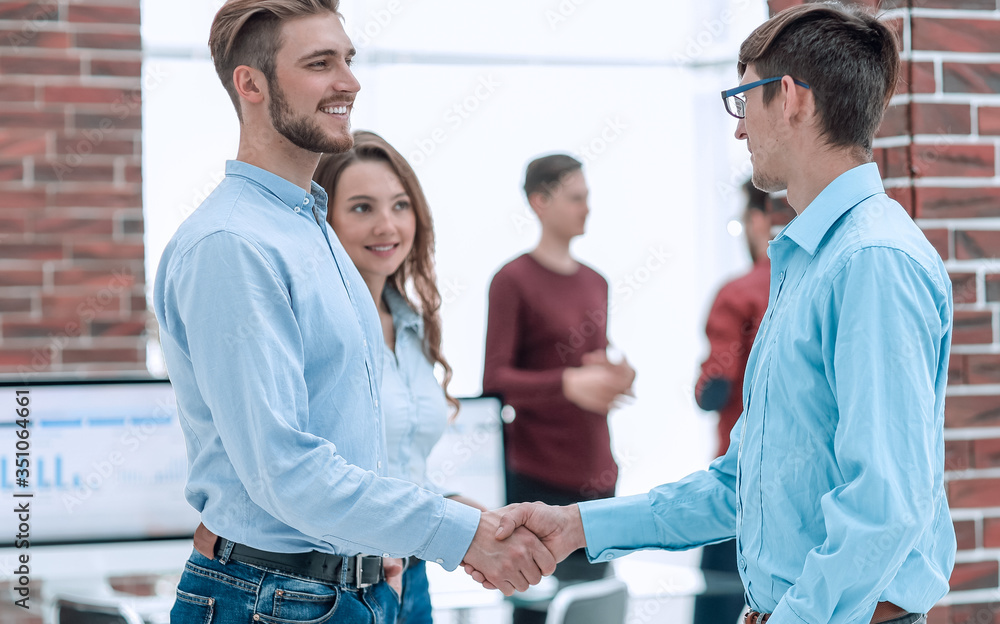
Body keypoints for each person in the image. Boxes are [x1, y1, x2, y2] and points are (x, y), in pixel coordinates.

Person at [479, 4, 957, 623]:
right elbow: (741, 487)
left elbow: (885, 507)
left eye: (743, 100)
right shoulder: (811, 261)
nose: (737, 130)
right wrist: (577, 526)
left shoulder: (871, 260)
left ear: (788, 98)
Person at [153, 2, 554, 622]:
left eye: (348, 59)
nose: (350, 81)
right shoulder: (232, 245)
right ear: (250, 84)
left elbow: (361, 455)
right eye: (320, 63)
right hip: (272, 598)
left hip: (356, 590)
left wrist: (451, 522)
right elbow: (285, 472)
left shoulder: (310, 229)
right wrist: (458, 534)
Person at [313, 130, 488, 624]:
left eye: (400, 206)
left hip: (411, 574)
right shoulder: (318, 328)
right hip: (336, 585)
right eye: (363, 208)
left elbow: (398, 470)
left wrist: (460, 509)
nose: (387, 226)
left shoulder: (411, 325)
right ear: (323, 217)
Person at [482, 153, 635, 624]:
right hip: (538, 480)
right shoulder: (513, 281)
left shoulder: (596, 282)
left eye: (587, 198)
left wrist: (615, 375)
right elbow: (495, 382)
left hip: (597, 475)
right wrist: (568, 383)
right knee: (537, 611)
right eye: (575, 198)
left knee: (592, 613)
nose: (586, 208)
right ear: (540, 202)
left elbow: (590, 361)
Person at [692, 180, 771, 624]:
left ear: (759, 221)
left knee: (718, 605)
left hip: (738, 481)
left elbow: (712, 389)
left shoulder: (740, 293)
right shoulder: (817, 276)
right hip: (802, 493)